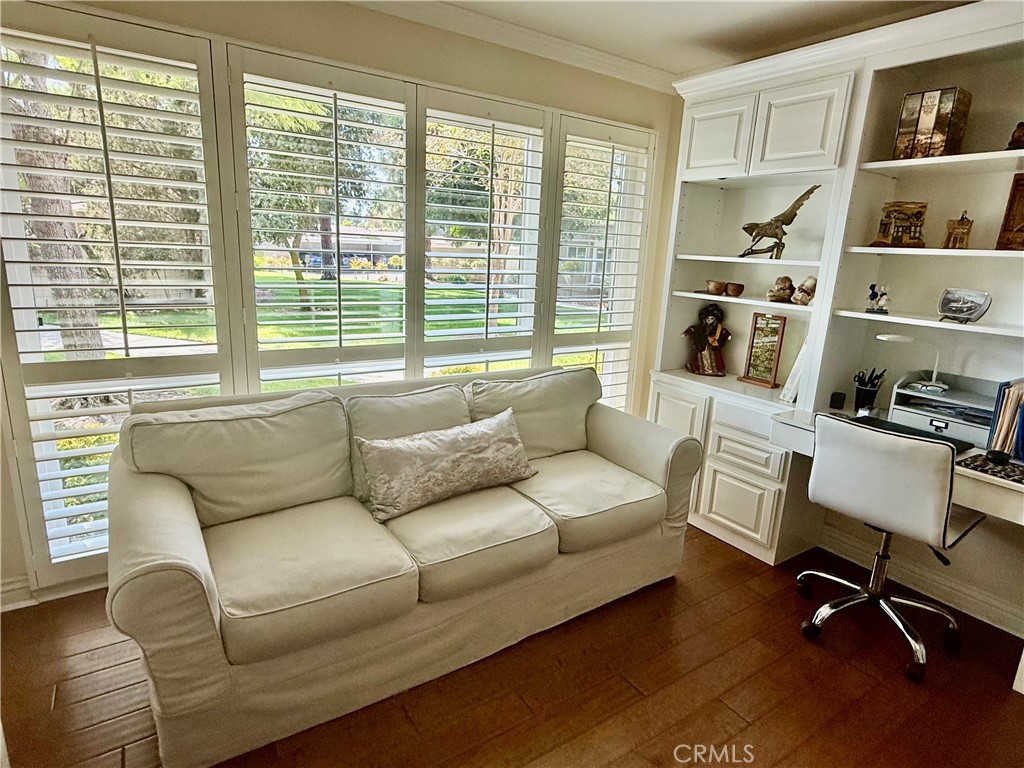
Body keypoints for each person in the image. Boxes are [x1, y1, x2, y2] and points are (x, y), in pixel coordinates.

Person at [682, 303, 731, 376]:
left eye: (711, 319)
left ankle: (715, 370)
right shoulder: (701, 327)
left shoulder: (718, 328)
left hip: (713, 345)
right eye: (708, 318)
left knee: (715, 358)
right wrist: (686, 333)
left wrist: (728, 335)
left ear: (715, 319)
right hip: (703, 345)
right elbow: (694, 329)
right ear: (704, 318)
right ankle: (700, 369)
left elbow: (724, 332)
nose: (709, 320)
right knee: (701, 357)